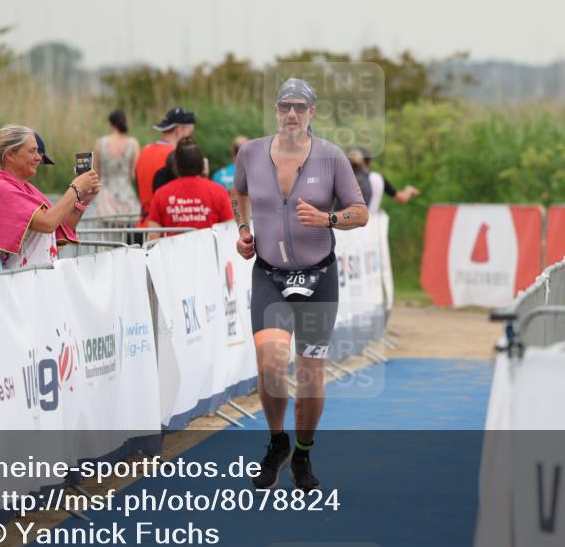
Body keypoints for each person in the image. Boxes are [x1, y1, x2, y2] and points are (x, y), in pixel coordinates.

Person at [233, 78, 368, 491]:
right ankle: (278, 444)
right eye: (284, 106)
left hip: (318, 277)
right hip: (270, 275)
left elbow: (359, 213)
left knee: (310, 376)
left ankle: (304, 456)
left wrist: (327, 219)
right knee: (271, 366)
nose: (291, 113)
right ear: (276, 110)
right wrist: (243, 229)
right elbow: (237, 193)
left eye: (300, 106)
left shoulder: (330, 157)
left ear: (312, 112)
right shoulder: (251, 152)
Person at [0, 125, 100, 273]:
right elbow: (48, 223)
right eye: (32, 151)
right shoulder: (3, 188)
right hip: (20, 284)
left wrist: (82, 200)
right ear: (10, 155)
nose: (39, 158)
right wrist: (75, 188)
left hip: (35, 280)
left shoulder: (26, 188)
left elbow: (61, 224)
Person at [146, 137, 234, 239]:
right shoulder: (219, 192)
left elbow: (153, 236)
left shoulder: (161, 194)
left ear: (176, 164)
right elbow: (229, 230)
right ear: (201, 163)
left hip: (173, 253)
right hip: (209, 253)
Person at [134, 107, 195, 223]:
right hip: (166, 229)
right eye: (190, 133)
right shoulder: (175, 155)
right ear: (179, 130)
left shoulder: (145, 151)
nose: (190, 139)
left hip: (143, 225)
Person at [93, 109, 141, 219]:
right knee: (126, 234)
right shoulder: (133, 144)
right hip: (126, 197)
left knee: (103, 235)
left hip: (105, 198)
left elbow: (96, 172)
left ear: (111, 124)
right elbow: (134, 174)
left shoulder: (100, 143)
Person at [356, 146, 420, 213]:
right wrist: (409, 190)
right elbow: (402, 198)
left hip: (348, 219)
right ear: (369, 162)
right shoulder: (378, 179)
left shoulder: (347, 178)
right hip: (371, 221)